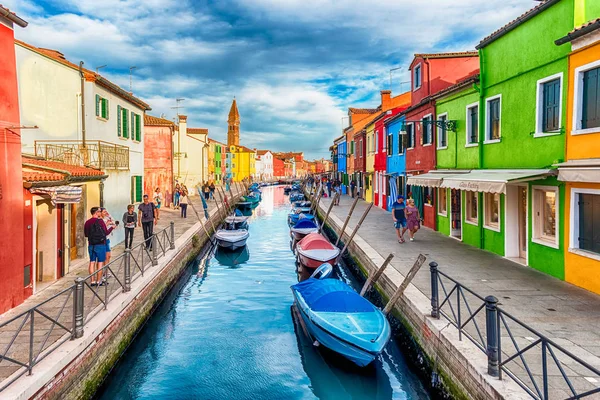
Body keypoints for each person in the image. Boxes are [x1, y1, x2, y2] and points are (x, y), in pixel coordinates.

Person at [84, 207, 114, 286]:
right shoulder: (100, 221)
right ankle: (99, 281)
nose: (100, 213)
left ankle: (92, 281)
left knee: (92, 262)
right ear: (96, 212)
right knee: (100, 263)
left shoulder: (87, 222)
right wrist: (112, 227)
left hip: (91, 245)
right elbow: (106, 233)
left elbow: (86, 234)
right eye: (99, 211)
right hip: (101, 244)